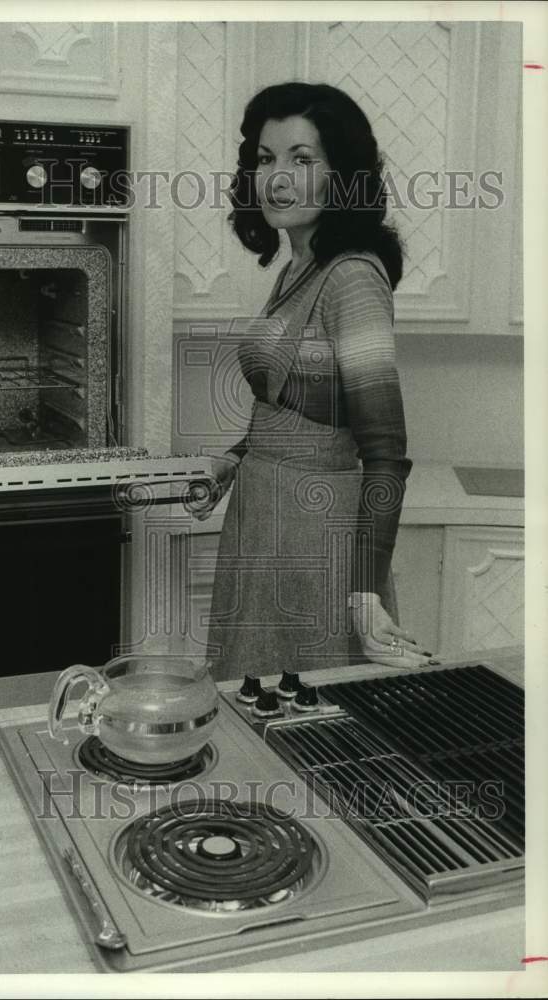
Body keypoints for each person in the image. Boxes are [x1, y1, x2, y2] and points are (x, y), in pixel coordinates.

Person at [193, 82, 437, 680]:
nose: (278, 177)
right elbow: (292, 403)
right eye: (266, 158)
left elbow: (385, 454)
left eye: (303, 159)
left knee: (312, 732)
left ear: (340, 176)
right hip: (261, 520)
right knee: (255, 711)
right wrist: (231, 460)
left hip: (317, 537)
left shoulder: (352, 278)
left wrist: (363, 591)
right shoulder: (298, 267)